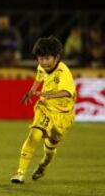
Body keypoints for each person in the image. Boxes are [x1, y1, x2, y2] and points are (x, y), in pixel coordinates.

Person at [10, 36, 76, 184]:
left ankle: (43, 166)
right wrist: (31, 92)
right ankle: (19, 173)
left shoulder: (63, 72)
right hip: (45, 107)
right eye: (40, 58)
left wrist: (49, 94)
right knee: (34, 134)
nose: (43, 62)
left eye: (47, 58)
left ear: (56, 57)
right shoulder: (42, 67)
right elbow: (39, 77)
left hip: (63, 115)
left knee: (50, 147)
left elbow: (67, 92)